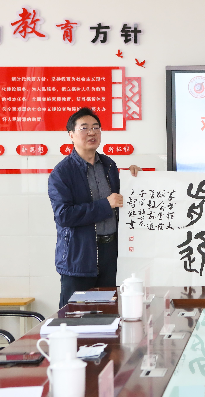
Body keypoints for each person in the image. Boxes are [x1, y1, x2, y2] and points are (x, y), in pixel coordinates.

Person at [48, 107, 141, 308]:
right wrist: (105, 205)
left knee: (108, 315)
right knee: (76, 317)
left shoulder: (109, 166)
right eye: (84, 128)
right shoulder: (62, 173)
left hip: (110, 254)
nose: (92, 132)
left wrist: (136, 178)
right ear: (71, 135)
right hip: (79, 258)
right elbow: (64, 216)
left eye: (96, 127)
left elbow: (122, 201)